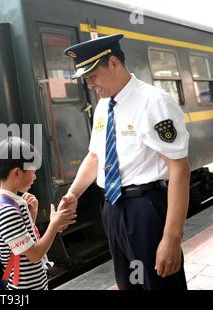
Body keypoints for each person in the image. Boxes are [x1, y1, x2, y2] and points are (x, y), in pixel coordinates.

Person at [61, 34, 190, 289]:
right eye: (86, 79)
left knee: (160, 283)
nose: (89, 84)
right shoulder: (103, 106)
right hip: (113, 210)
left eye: (92, 75)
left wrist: (171, 237)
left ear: (113, 63)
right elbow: (95, 156)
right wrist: (73, 193)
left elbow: (180, 169)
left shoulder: (153, 101)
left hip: (145, 209)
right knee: (129, 284)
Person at [0, 137, 76, 289]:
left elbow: (21, 245)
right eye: (33, 172)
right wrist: (53, 224)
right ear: (16, 173)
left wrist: (31, 216)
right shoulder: (6, 211)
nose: (35, 177)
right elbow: (34, 255)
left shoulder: (9, 201)